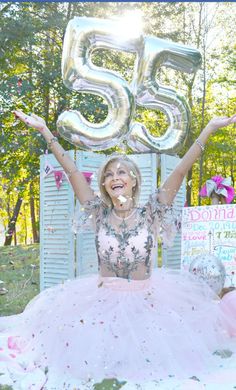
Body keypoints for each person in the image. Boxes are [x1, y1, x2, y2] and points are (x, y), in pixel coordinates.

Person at [0, 110, 236, 390]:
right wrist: (45, 132)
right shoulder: (98, 212)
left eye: (121, 171)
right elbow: (72, 170)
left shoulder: (152, 211)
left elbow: (181, 170)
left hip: (149, 300)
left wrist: (208, 127)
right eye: (109, 174)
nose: (115, 177)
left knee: (148, 358)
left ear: (134, 179)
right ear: (104, 185)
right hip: (102, 300)